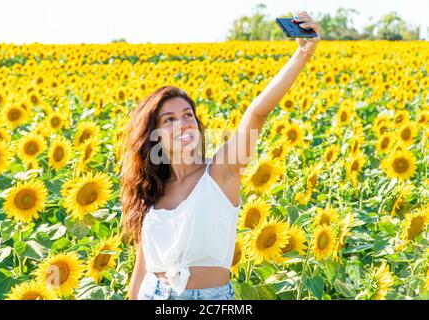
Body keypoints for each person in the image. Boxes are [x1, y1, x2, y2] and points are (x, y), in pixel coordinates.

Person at [122, 11, 321, 300]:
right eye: (169, 120)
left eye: (188, 115)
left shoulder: (219, 173)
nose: (183, 123)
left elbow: (257, 113)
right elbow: (142, 269)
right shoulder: (152, 190)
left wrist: (303, 54)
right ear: (154, 135)